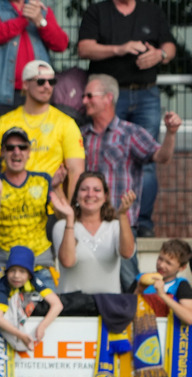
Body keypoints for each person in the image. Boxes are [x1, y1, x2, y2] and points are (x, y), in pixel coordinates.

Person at [77, 0, 176, 237]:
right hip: (111, 97)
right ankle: (99, 216)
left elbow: (170, 46)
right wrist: (119, 49)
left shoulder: (151, 10)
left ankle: (141, 224)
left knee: (148, 161)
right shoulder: (98, 11)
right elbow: (84, 48)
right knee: (99, 158)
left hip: (146, 92)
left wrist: (160, 54)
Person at [80, 73, 182, 288]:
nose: (84, 101)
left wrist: (171, 134)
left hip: (121, 223)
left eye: (89, 96)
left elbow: (161, 157)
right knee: (88, 280)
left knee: (130, 284)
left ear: (108, 98)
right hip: (87, 223)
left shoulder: (130, 133)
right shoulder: (81, 136)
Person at [0, 60, 85, 204]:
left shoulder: (66, 123)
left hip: (50, 207)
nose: (47, 86)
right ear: (25, 84)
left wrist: (72, 210)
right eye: (40, 81)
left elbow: (75, 171)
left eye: (51, 82)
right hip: (11, 206)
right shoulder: (6, 122)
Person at [0, 0, 69, 137]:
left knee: (35, 146)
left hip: (34, 94)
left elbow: (61, 44)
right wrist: (24, 20)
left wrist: (40, 21)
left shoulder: (41, 11)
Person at [0, 127, 57, 287]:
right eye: (10, 147)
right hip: (6, 265)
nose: (16, 152)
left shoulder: (44, 180)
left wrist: (58, 188)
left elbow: (62, 216)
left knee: (51, 303)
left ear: (29, 152)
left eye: (22, 147)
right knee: (0, 304)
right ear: (2, 152)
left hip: (40, 263)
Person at [50, 171, 135, 294]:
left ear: (105, 196)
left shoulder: (115, 226)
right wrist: (70, 218)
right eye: (84, 189)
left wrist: (122, 215)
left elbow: (127, 253)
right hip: (72, 303)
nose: (90, 194)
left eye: (97, 190)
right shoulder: (62, 226)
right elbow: (68, 261)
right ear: (77, 196)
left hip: (108, 303)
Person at [0, 246, 63, 352]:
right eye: (12, 270)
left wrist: (42, 327)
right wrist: (21, 335)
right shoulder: (2, 286)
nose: (16, 276)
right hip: (9, 339)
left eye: (22, 271)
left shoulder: (34, 281)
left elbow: (57, 305)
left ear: (29, 275)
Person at [133, 239, 192, 325]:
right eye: (160, 259)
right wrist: (139, 290)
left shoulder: (181, 285)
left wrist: (163, 295)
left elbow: (190, 318)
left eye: (168, 263)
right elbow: (124, 309)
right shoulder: (141, 278)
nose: (161, 265)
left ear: (182, 268)